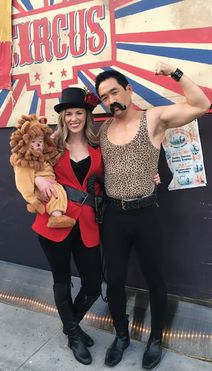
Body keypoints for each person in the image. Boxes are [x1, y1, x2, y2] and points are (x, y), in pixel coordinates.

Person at [95, 61, 210, 369]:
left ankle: (155, 339)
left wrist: (175, 73)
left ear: (129, 90)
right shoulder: (103, 128)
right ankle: (121, 336)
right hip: (114, 217)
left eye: (114, 92)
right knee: (115, 282)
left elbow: (201, 104)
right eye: (104, 97)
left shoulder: (154, 118)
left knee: (155, 279)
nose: (111, 100)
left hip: (146, 214)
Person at [32, 87, 103, 365]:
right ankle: (74, 334)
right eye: (69, 114)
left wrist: (152, 175)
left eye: (79, 113)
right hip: (54, 223)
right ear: (62, 118)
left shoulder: (98, 147)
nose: (74, 118)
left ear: (87, 115)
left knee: (93, 285)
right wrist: (37, 179)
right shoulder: (49, 145)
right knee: (62, 281)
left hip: (87, 224)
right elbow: (23, 163)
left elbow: (115, 175)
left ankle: (69, 325)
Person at [10, 114, 76, 228]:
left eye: (40, 141)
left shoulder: (46, 153)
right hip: (44, 190)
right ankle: (56, 217)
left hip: (51, 183)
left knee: (57, 190)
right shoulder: (25, 161)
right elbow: (23, 182)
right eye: (34, 142)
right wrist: (33, 197)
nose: (39, 145)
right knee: (55, 192)